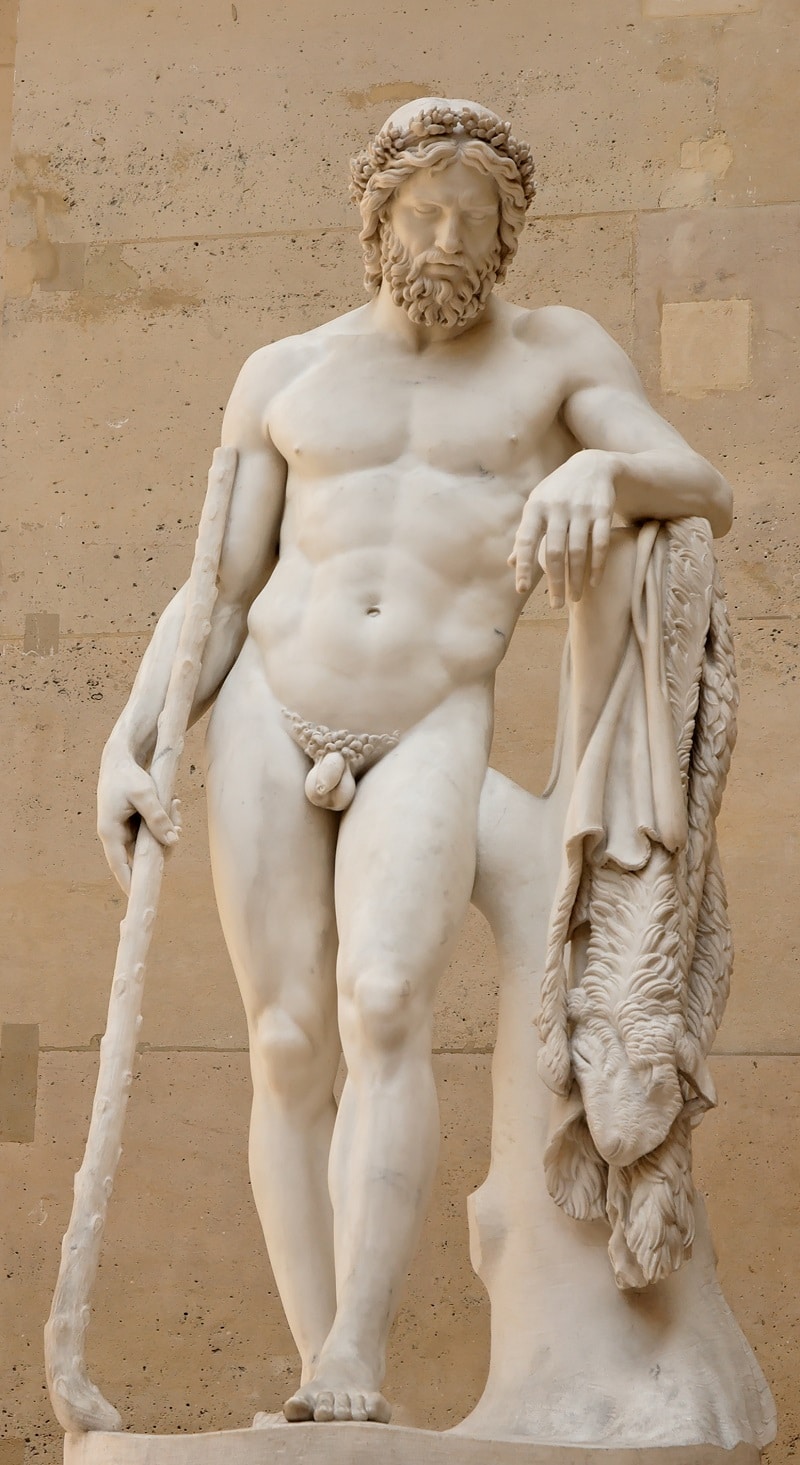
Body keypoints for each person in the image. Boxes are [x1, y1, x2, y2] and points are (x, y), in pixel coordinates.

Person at [96, 98, 733, 1425]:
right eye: (422, 213)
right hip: (272, 706)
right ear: (377, 220)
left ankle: (357, 1354)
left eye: (472, 217)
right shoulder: (286, 373)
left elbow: (698, 481)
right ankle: (315, 1363)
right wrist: (137, 734)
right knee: (286, 1040)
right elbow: (219, 587)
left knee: (386, 998)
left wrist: (604, 475)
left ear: (507, 233)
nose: (445, 238)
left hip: (432, 716)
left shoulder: (554, 356)